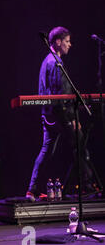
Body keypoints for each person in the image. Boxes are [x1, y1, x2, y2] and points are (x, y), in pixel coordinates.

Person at [26, 26, 97, 201]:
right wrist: (72, 118)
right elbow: (62, 93)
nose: (70, 45)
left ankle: (32, 189)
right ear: (57, 42)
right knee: (80, 144)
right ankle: (88, 186)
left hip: (49, 114)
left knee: (46, 150)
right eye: (67, 41)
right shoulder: (56, 62)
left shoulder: (47, 61)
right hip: (60, 114)